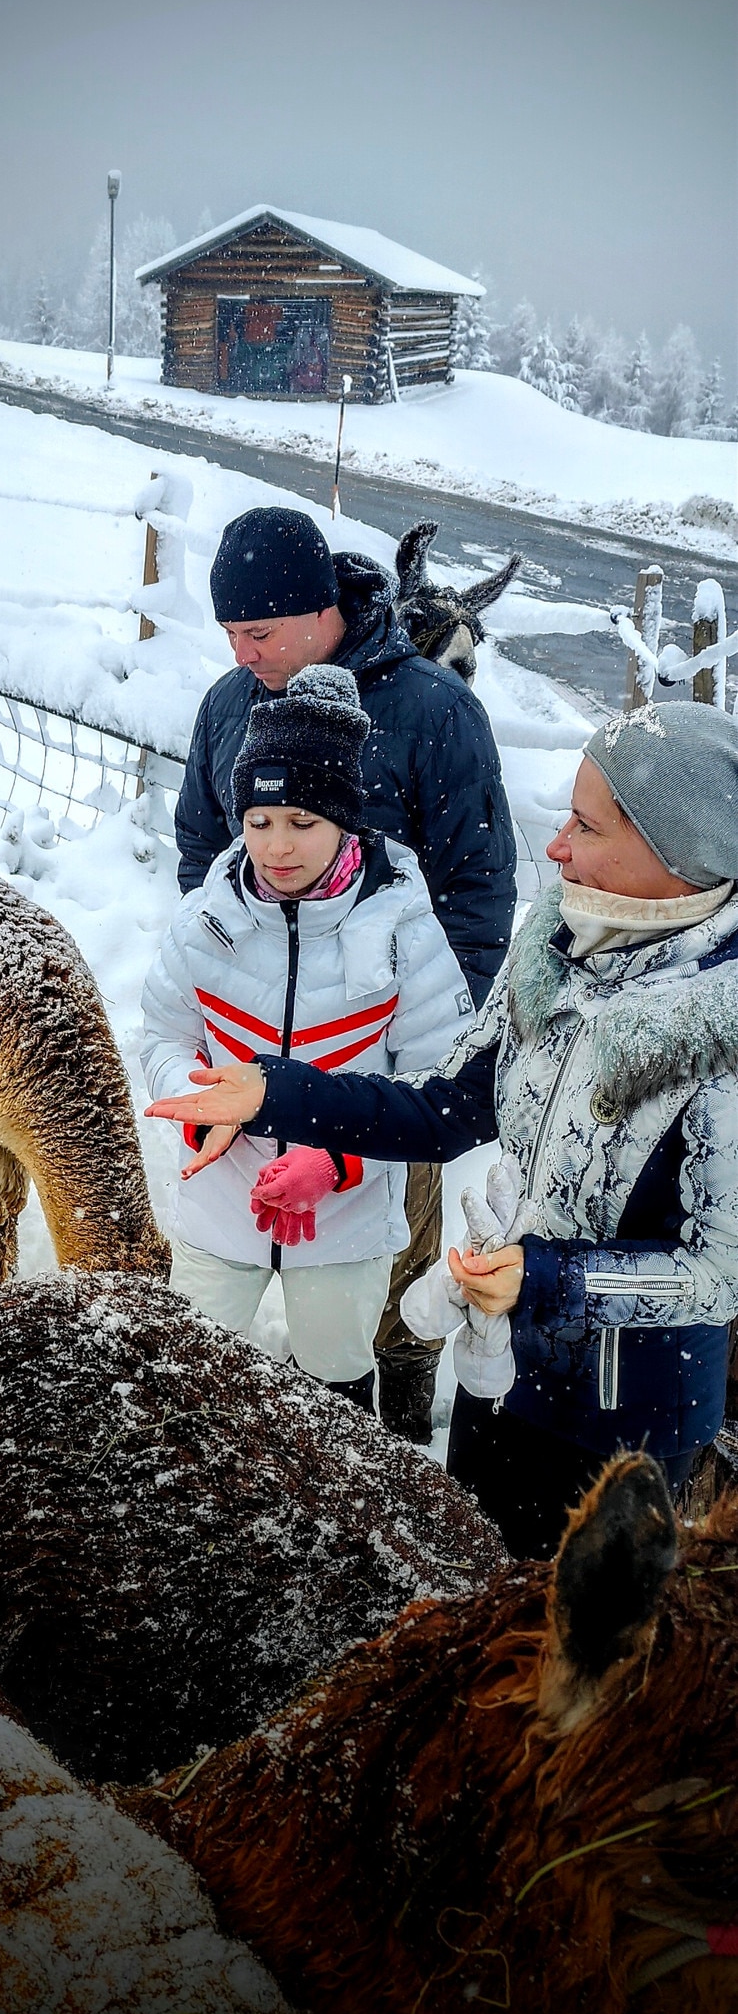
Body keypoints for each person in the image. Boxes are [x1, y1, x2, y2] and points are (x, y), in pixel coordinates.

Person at [147, 700, 738, 1558]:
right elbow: (447, 1104)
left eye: (586, 824)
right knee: (467, 1598)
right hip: (499, 1378)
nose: (557, 844)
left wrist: (549, 1280)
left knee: (567, 1658)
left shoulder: (723, 1033)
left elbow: (721, 1270)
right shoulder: (558, 947)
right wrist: (272, 1095)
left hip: (627, 1425)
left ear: (676, 852)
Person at [175, 503, 517, 1445]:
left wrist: (437, 1052)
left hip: (379, 1066)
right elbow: (200, 850)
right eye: (230, 636)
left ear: (322, 608)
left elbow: (478, 888)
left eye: (260, 632)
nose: (243, 654)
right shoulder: (229, 706)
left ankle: (390, 1453)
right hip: (247, 1064)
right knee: (222, 1283)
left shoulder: (428, 713)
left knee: (382, 1291)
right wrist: (220, 986)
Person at [142, 662, 475, 1409]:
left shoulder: (402, 931)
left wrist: (337, 1163)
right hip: (222, 1197)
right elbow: (164, 1034)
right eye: (258, 822)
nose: (277, 847)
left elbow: (438, 1082)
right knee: (191, 1383)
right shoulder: (205, 923)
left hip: (343, 1217)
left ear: (346, 820)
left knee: (333, 1383)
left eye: (302, 822)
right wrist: (203, 1116)